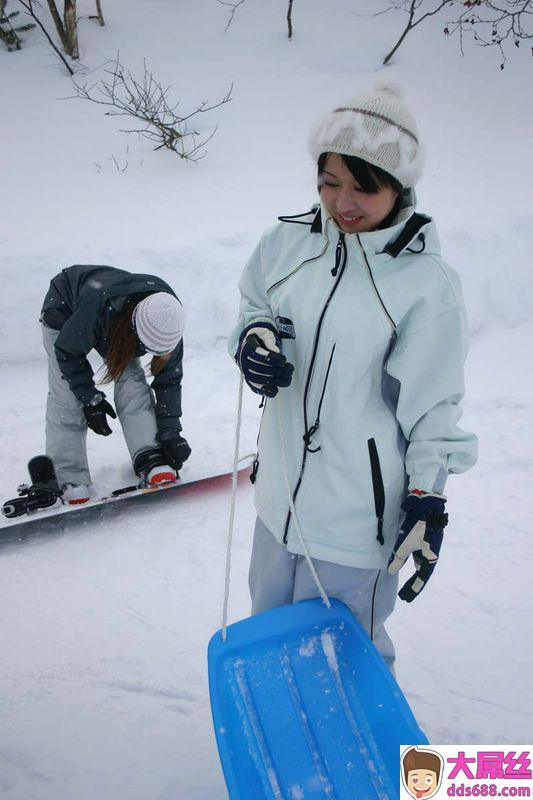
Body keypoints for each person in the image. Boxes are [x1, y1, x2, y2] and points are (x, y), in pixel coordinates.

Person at [228, 80, 478, 669]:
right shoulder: (287, 242)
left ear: (399, 186)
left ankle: (372, 759)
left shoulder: (425, 285)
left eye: (364, 187)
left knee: (347, 655)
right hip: (277, 499)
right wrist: (254, 339)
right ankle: (286, 746)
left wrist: (426, 498)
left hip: (354, 518)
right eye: (330, 182)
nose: (344, 203)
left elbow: (433, 408)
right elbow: (254, 304)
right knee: (271, 633)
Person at [40, 264, 191, 504]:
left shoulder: (168, 317)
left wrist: (171, 431)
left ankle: (149, 454)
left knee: (132, 382)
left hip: (117, 313)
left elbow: (170, 380)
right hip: (65, 309)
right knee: (66, 396)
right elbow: (68, 352)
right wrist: (90, 399)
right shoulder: (96, 313)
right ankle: (68, 475)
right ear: (135, 333)